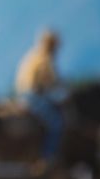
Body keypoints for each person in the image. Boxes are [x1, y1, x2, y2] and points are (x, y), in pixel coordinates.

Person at [15, 29, 64, 166]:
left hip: (23, 94)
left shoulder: (33, 55)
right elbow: (52, 81)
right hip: (32, 96)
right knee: (56, 123)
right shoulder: (44, 59)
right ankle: (47, 158)